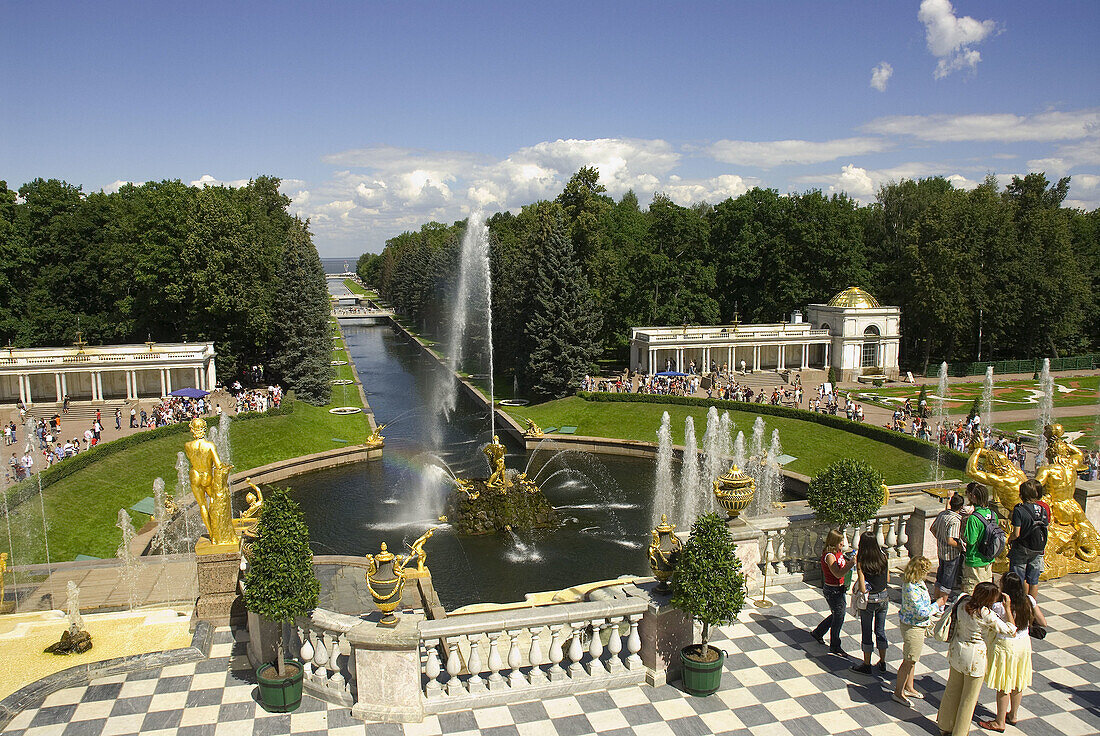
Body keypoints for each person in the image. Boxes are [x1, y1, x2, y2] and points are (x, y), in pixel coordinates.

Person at [937, 582, 1016, 736]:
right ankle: (960, 733)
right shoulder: (986, 614)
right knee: (968, 699)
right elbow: (1011, 630)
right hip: (975, 658)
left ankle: (945, 725)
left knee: (951, 691)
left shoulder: (963, 602)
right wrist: (1007, 608)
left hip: (957, 651)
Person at [979, 571, 1045, 731]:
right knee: (1017, 681)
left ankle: (999, 721)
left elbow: (1004, 627)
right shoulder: (1029, 600)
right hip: (1023, 644)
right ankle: (1013, 714)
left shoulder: (998, 606)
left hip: (1005, 645)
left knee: (1003, 684)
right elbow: (1043, 622)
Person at [893, 556, 935, 705]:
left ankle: (909, 686)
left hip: (916, 625)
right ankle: (898, 692)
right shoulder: (911, 587)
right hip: (913, 627)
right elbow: (921, 611)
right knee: (909, 660)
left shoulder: (918, 583)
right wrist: (937, 606)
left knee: (912, 659)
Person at [851, 531, 889, 676]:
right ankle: (883, 662)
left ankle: (866, 664)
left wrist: (859, 568)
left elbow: (862, 587)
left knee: (867, 631)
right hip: (884, 597)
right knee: (880, 630)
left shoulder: (862, 562)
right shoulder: (884, 557)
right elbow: (888, 579)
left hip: (870, 600)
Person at [811, 529, 854, 656]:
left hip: (839, 588)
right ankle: (835, 645)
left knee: (837, 614)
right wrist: (851, 565)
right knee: (839, 617)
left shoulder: (838, 552)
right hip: (833, 590)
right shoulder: (829, 556)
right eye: (840, 541)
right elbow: (837, 573)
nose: (842, 543)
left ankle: (818, 632)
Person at [1008, 479, 1048, 599]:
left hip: (1022, 547)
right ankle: (1032, 606)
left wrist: (1009, 539)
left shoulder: (1019, 510)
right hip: (1037, 548)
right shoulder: (1042, 509)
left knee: (1018, 579)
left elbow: (1016, 533)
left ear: (1021, 495)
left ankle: (1020, 604)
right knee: (1033, 580)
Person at [932, 493, 966, 606]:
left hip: (940, 551)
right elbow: (950, 540)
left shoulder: (942, 514)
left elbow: (932, 529)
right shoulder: (955, 520)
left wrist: (939, 538)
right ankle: (941, 604)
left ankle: (936, 599)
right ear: (961, 507)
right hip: (951, 554)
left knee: (940, 577)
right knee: (947, 581)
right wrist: (960, 546)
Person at [961, 482, 996, 593]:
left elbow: (971, 541)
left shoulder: (974, 518)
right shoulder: (993, 514)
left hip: (975, 559)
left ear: (974, 497)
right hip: (989, 558)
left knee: (972, 592)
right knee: (986, 592)